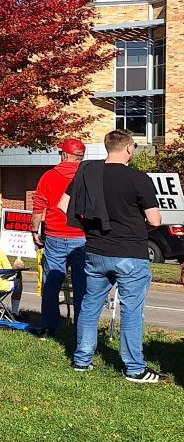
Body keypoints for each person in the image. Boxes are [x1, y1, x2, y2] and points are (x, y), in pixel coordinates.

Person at [68, 130, 163, 382]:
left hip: (96, 250)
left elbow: (68, 207)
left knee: (90, 306)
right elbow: (154, 219)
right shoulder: (138, 178)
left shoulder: (89, 173)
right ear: (129, 148)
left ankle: (82, 360)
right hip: (130, 253)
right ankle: (134, 368)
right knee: (131, 309)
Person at [32, 138, 87, 337]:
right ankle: (82, 327)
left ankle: (48, 326)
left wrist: (34, 230)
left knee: (52, 283)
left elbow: (39, 205)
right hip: (82, 236)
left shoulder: (49, 176)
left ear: (63, 154)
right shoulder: (87, 175)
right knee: (82, 285)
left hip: (55, 234)